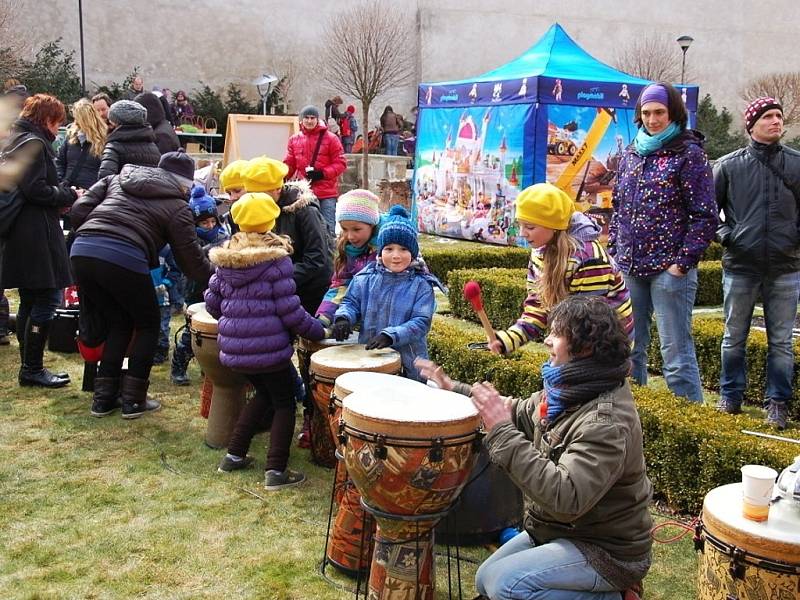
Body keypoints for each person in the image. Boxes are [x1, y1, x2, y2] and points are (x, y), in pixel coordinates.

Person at [416, 296, 652, 600]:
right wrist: (455, 389)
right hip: (562, 532)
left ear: (585, 348)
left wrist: (500, 431)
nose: (547, 340)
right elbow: (518, 410)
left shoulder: (605, 422)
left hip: (607, 551)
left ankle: (617, 596)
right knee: (485, 579)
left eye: (556, 334)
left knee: (506, 586)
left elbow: (566, 497)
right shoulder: (569, 389)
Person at [69, 149, 213, 418]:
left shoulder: (116, 179)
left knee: (120, 322)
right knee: (146, 323)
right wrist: (217, 276)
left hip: (82, 251)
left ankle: (103, 399)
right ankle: (134, 400)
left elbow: (78, 210)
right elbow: (191, 262)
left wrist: (98, 229)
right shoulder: (177, 206)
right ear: (185, 183)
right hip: (123, 256)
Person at [205, 192, 325, 490]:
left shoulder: (226, 260)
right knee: (285, 402)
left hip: (234, 350)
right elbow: (290, 311)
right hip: (269, 351)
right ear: (271, 221)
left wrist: (236, 323)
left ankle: (233, 456)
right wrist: (318, 330)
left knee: (264, 395)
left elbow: (212, 304)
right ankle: (276, 470)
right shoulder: (276, 262)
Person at [609, 82, 717, 402]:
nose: (653, 119)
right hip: (630, 267)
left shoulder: (689, 155)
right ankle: (637, 419)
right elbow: (619, 206)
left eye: (659, 112)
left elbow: (705, 215)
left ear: (673, 113)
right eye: (646, 113)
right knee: (629, 351)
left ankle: (688, 426)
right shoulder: (632, 152)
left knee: (676, 356)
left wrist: (681, 265)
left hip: (669, 272)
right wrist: (615, 250)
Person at [714, 97, 800, 430]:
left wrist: (794, 240)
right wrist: (728, 236)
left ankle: (778, 403)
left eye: (779, 116)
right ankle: (730, 396)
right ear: (752, 124)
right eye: (767, 116)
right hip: (740, 266)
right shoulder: (729, 165)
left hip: (786, 267)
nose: (776, 121)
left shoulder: (796, 163)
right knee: (733, 337)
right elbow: (708, 214)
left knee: (781, 340)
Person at [492, 183, 633, 355]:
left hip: (605, 344)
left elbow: (590, 322)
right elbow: (537, 306)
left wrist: (559, 349)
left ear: (554, 226)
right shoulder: (539, 251)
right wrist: (507, 340)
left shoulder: (589, 259)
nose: (522, 233)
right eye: (520, 225)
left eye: (530, 227)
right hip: (573, 335)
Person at [0, 93, 78, 388]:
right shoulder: (35, 144)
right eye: (58, 122)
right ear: (46, 119)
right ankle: (32, 368)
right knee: (46, 298)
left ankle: (28, 366)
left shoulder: (14, 140)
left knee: (31, 298)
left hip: (19, 232)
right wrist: (69, 194)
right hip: (35, 233)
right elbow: (38, 191)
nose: (59, 128)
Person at [331, 205, 444, 382]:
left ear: (413, 253)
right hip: (370, 359)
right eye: (389, 249)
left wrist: (391, 336)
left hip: (409, 364)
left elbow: (421, 322)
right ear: (380, 250)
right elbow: (351, 302)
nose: (396, 255)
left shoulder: (421, 285)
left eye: (403, 249)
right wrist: (344, 318)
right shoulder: (366, 278)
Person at [171, 185, 229, 385]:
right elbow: (189, 260)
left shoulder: (222, 235)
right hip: (195, 290)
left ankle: (209, 365)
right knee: (192, 332)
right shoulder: (189, 239)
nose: (210, 225)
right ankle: (179, 364)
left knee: (216, 331)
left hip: (216, 288)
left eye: (213, 221)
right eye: (204, 222)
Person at [316, 189, 381, 328]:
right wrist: (324, 316)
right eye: (344, 229)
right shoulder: (347, 249)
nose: (350, 236)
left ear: (372, 225)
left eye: (357, 229)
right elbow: (340, 285)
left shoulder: (390, 248)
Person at [284, 105, 347, 235]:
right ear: (301, 120)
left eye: (313, 118)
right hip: (305, 193)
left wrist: (322, 173)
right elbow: (289, 164)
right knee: (306, 230)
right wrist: (279, 178)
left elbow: (340, 163)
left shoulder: (331, 138)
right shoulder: (294, 140)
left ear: (317, 119)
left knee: (327, 229)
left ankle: (329, 254)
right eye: (306, 117)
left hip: (326, 192)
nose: (309, 120)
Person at [97, 100, 161, 179]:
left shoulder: (114, 147)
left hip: (119, 190)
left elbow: (105, 178)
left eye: (112, 122)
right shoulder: (153, 148)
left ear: (117, 122)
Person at [56, 98, 106, 191]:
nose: (75, 122)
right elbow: (59, 162)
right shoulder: (71, 137)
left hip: (91, 192)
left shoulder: (104, 140)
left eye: (77, 118)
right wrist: (60, 181)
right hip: (68, 190)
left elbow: (106, 171)